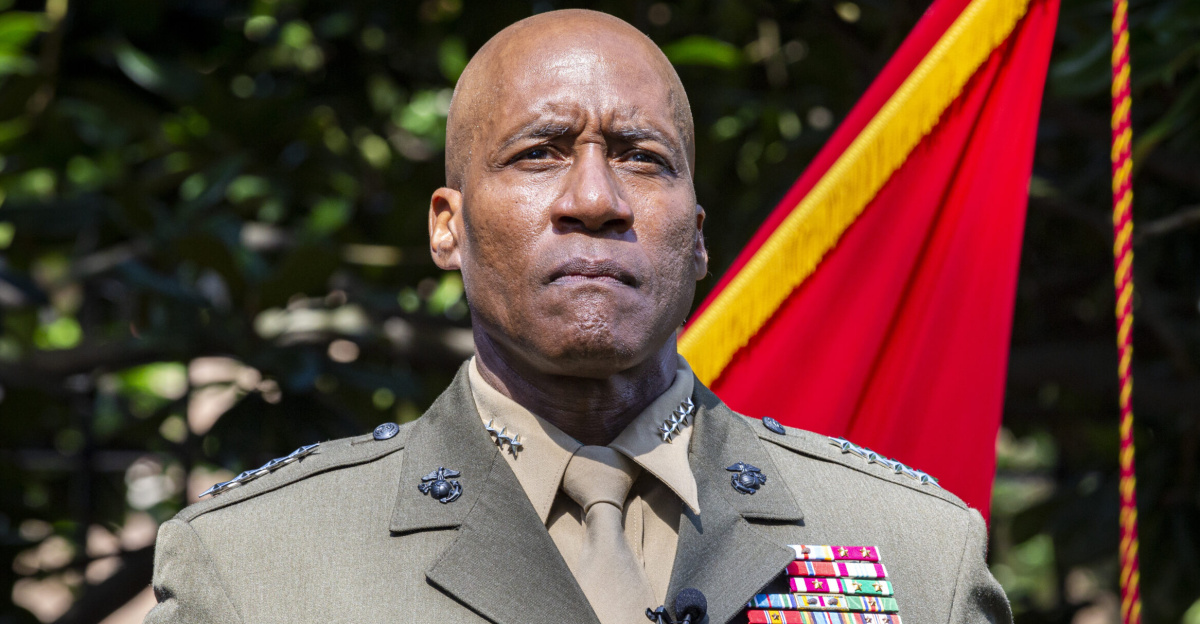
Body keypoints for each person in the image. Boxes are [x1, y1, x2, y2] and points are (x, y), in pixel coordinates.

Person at [145, 9, 1011, 624]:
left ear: (698, 240)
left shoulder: (914, 552)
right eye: (538, 153)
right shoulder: (256, 568)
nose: (594, 199)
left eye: (642, 157)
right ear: (448, 226)